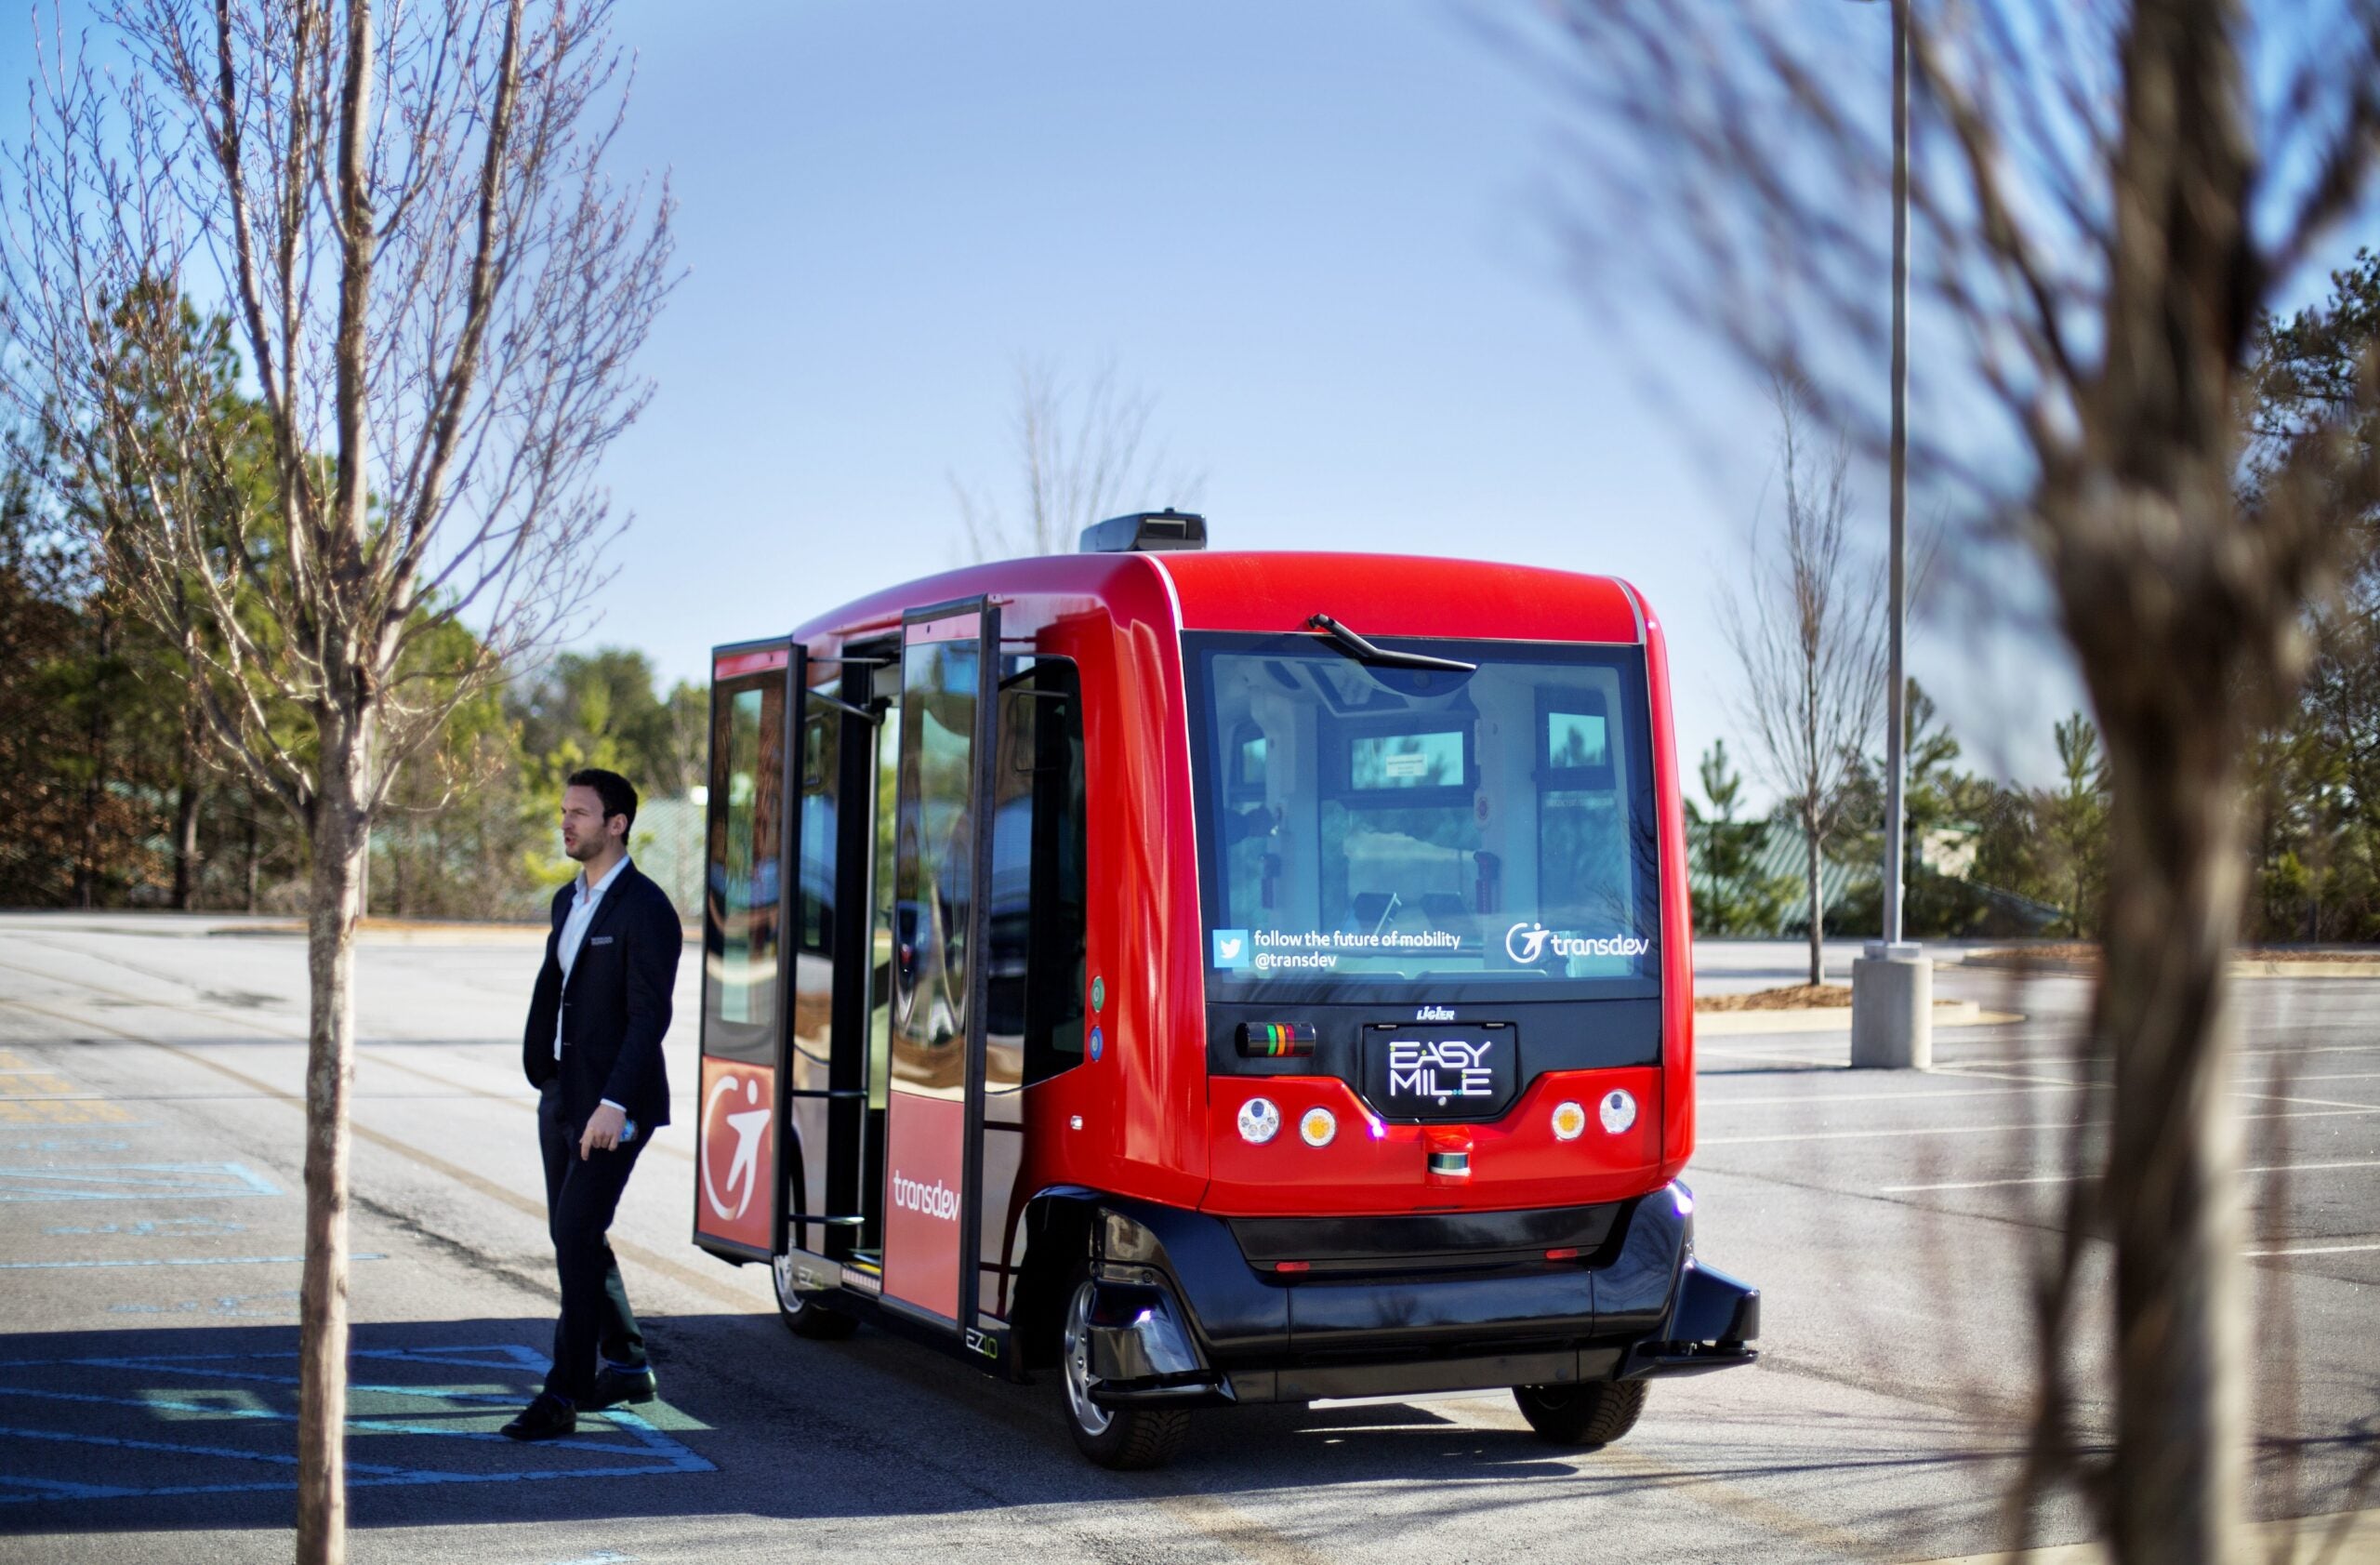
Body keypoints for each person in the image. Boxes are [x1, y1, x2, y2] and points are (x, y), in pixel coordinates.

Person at [501, 767, 680, 1441]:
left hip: (615, 1107)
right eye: (562, 809)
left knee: (575, 1234)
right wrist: (549, 1080)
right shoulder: (566, 901)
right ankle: (628, 1363)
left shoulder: (646, 907)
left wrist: (612, 1102)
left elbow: (648, 1018)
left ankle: (563, 1393)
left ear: (617, 823)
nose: (565, 822)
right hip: (563, 1097)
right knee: (574, 1234)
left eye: (579, 812)